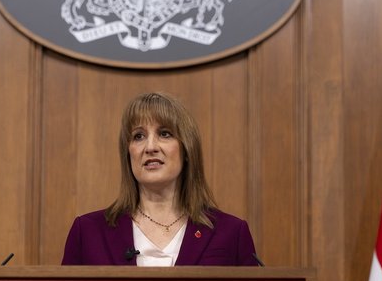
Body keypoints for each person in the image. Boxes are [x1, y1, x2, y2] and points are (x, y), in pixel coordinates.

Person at [62, 92, 259, 266]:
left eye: (164, 134)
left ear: (187, 149)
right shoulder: (88, 232)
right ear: (128, 153)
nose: (150, 147)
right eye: (138, 136)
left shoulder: (231, 233)